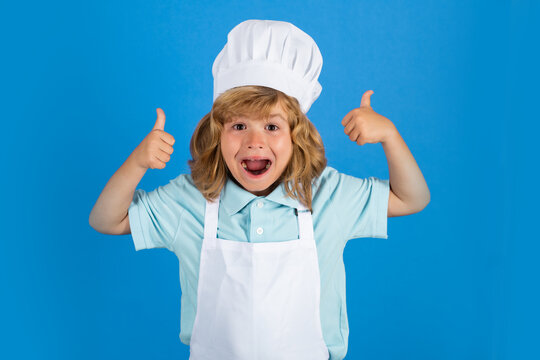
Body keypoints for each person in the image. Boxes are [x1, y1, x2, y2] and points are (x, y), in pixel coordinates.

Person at [89, 19, 430, 360]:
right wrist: (136, 163)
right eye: (239, 125)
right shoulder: (191, 199)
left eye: (271, 126)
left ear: (297, 135)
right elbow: (107, 220)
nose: (255, 142)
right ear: (217, 134)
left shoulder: (328, 196)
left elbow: (411, 198)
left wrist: (390, 136)